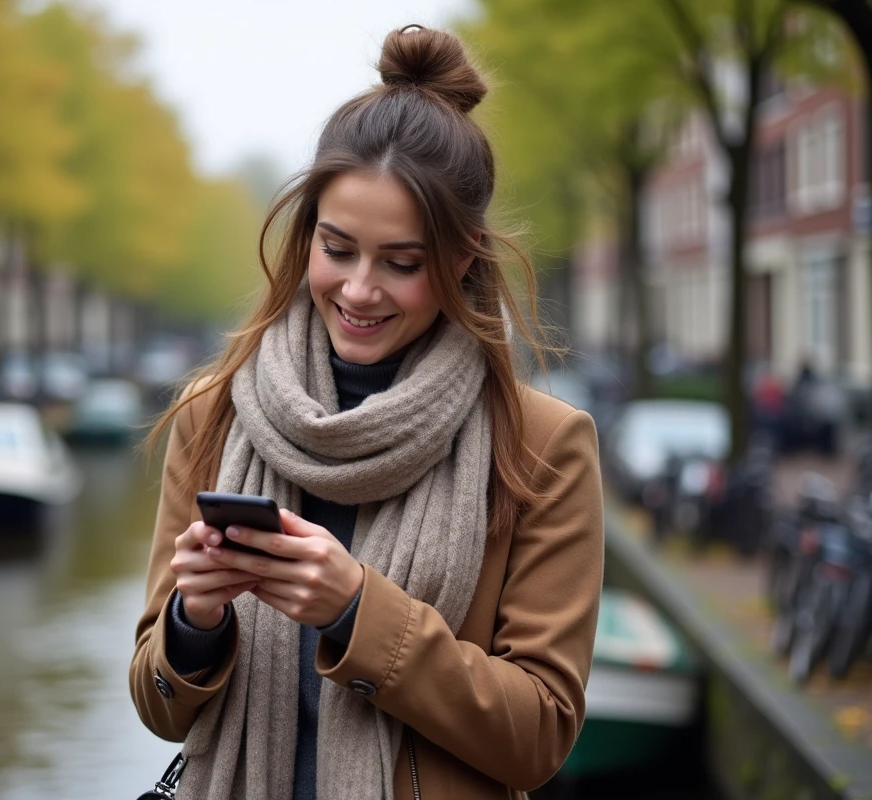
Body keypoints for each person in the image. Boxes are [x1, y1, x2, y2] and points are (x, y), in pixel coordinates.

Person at [129, 25, 603, 800]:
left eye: (401, 263)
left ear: (461, 257)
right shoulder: (212, 414)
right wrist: (195, 619)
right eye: (338, 249)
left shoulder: (543, 445)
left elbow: (541, 735)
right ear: (307, 234)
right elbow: (158, 707)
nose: (358, 290)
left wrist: (357, 611)